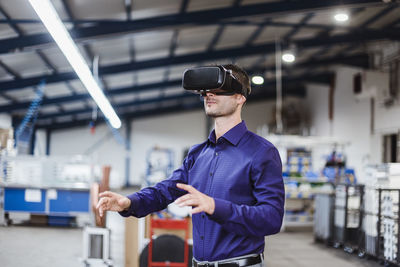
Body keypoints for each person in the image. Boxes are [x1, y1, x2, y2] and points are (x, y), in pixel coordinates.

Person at [97, 64, 285, 267]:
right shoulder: (198, 154)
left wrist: (215, 206)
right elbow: (165, 191)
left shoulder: (261, 152)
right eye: (205, 91)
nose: (209, 95)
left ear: (240, 97)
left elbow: (271, 218)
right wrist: (129, 202)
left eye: (219, 89)